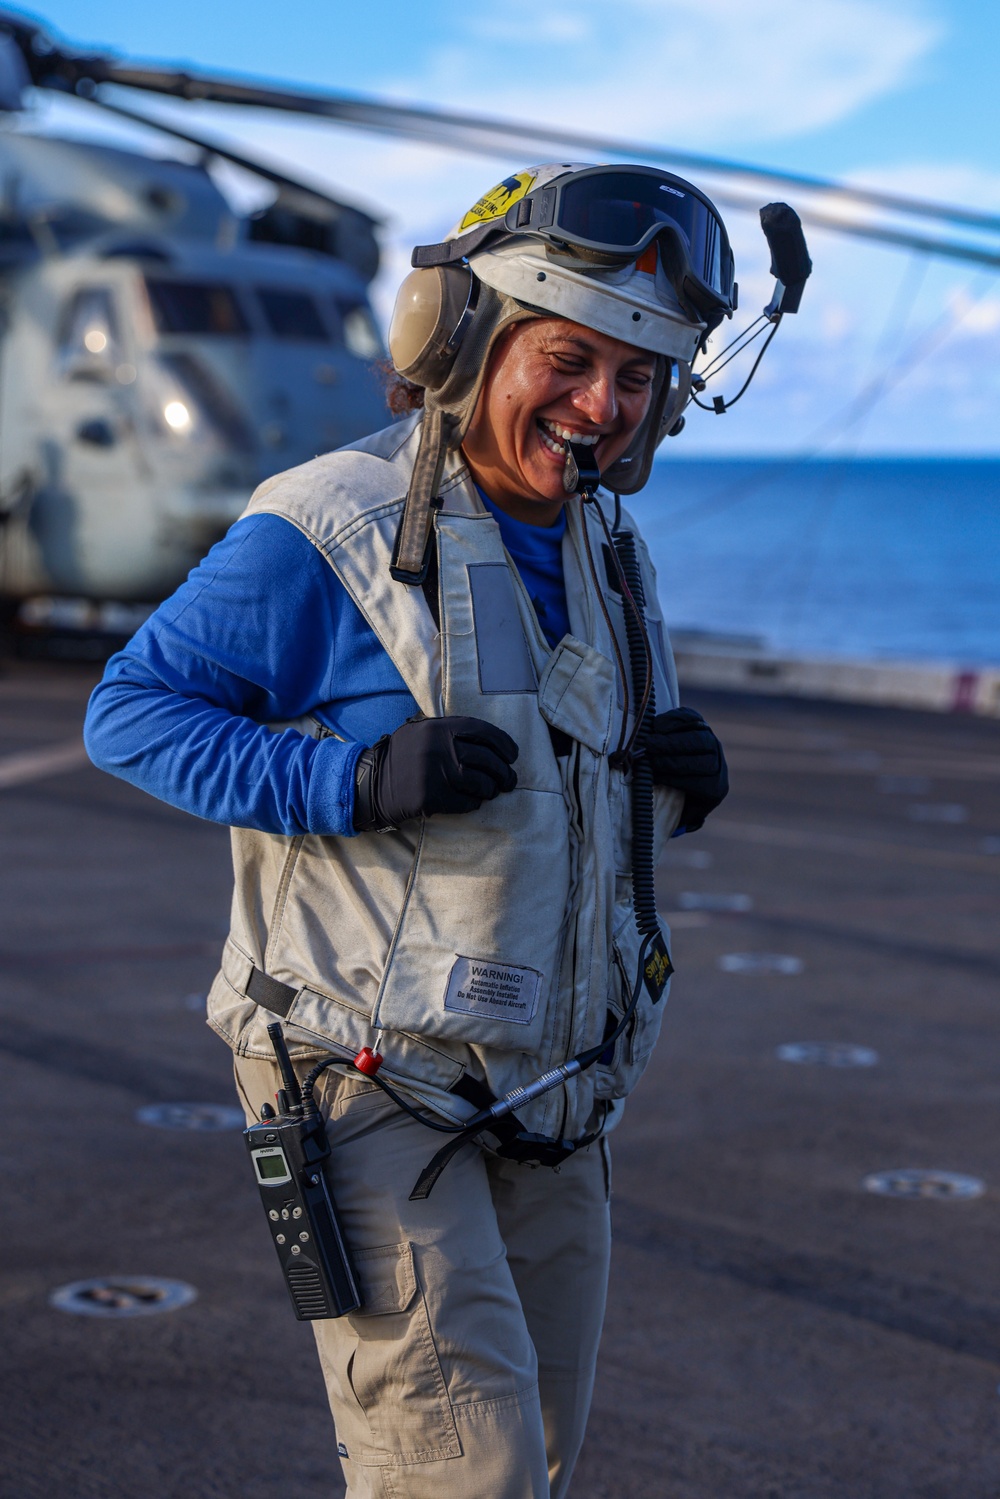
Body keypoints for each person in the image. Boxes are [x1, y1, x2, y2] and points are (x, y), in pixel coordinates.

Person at [85, 162, 732, 1499]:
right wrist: (352, 780)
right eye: (570, 360)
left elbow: (559, 774)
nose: (602, 408)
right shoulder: (331, 525)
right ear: (470, 335)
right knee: (459, 1469)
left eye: (640, 378)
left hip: (557, 1086)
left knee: (539, 1447)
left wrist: (669, 776)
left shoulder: (612, 545)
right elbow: (132, 715)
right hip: (363, 1078)